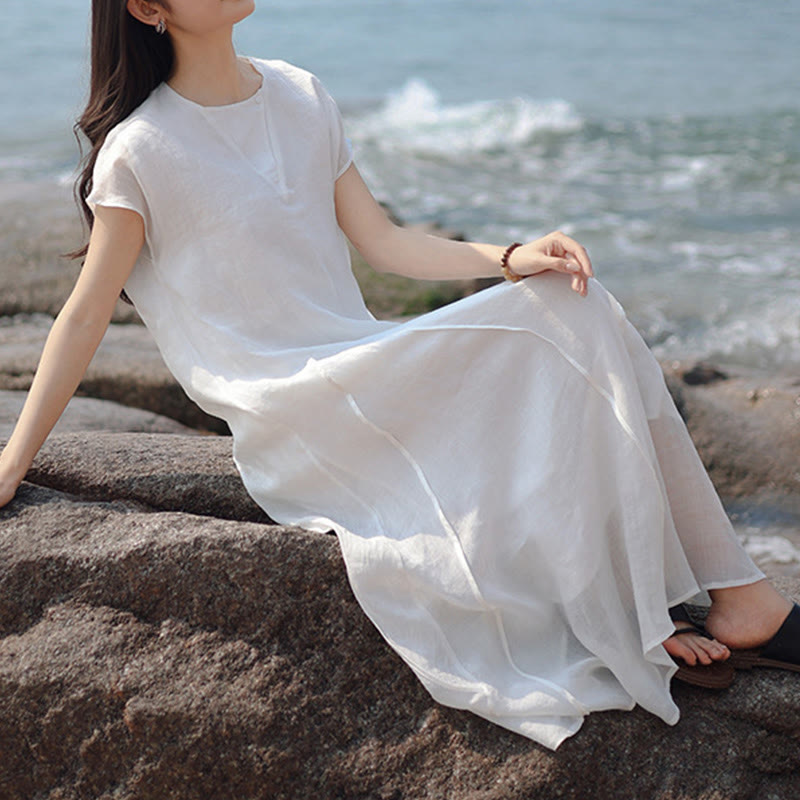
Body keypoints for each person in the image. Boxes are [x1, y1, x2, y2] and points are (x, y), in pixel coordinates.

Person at [0, 0, 797, 751]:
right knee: (569, 328)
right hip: (295, 403)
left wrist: (508, 259)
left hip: (366, 357)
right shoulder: (141, 149)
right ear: (148, 9)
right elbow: (84, 313)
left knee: (574, 303)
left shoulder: (301, 93)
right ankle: (709, 600)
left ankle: (722, 598)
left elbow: (382, 243)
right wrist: (14, 461)